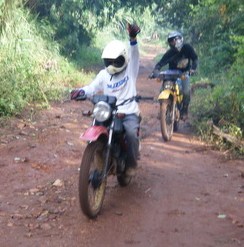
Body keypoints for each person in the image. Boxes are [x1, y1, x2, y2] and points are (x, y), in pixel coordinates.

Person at [70, 23, 141, 176]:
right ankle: (96, 158)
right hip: (108, 111)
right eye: (109, 61)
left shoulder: (130, 70)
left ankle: (131, 164)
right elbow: (92, 88)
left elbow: (135, 54)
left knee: (131, 134)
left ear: (123, 59)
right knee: (95, 125)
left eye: (116, 61)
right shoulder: (104, 74)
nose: (112, 64)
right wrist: (80, 92)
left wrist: (133, 38)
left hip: (128, 112)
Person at [151, 31, 198, 119]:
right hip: (172, 74)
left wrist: (193, 69)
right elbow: (161, 63)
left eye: (176, 40)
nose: (174, 42)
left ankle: (184, 110)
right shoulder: (170, 52)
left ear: (181, 39)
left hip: (184, 73)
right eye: (172, 41)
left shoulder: (187, 48)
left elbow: (195, 59)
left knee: (186, 92)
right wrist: (155, 71)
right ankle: (162, 109)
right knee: (162, 89)